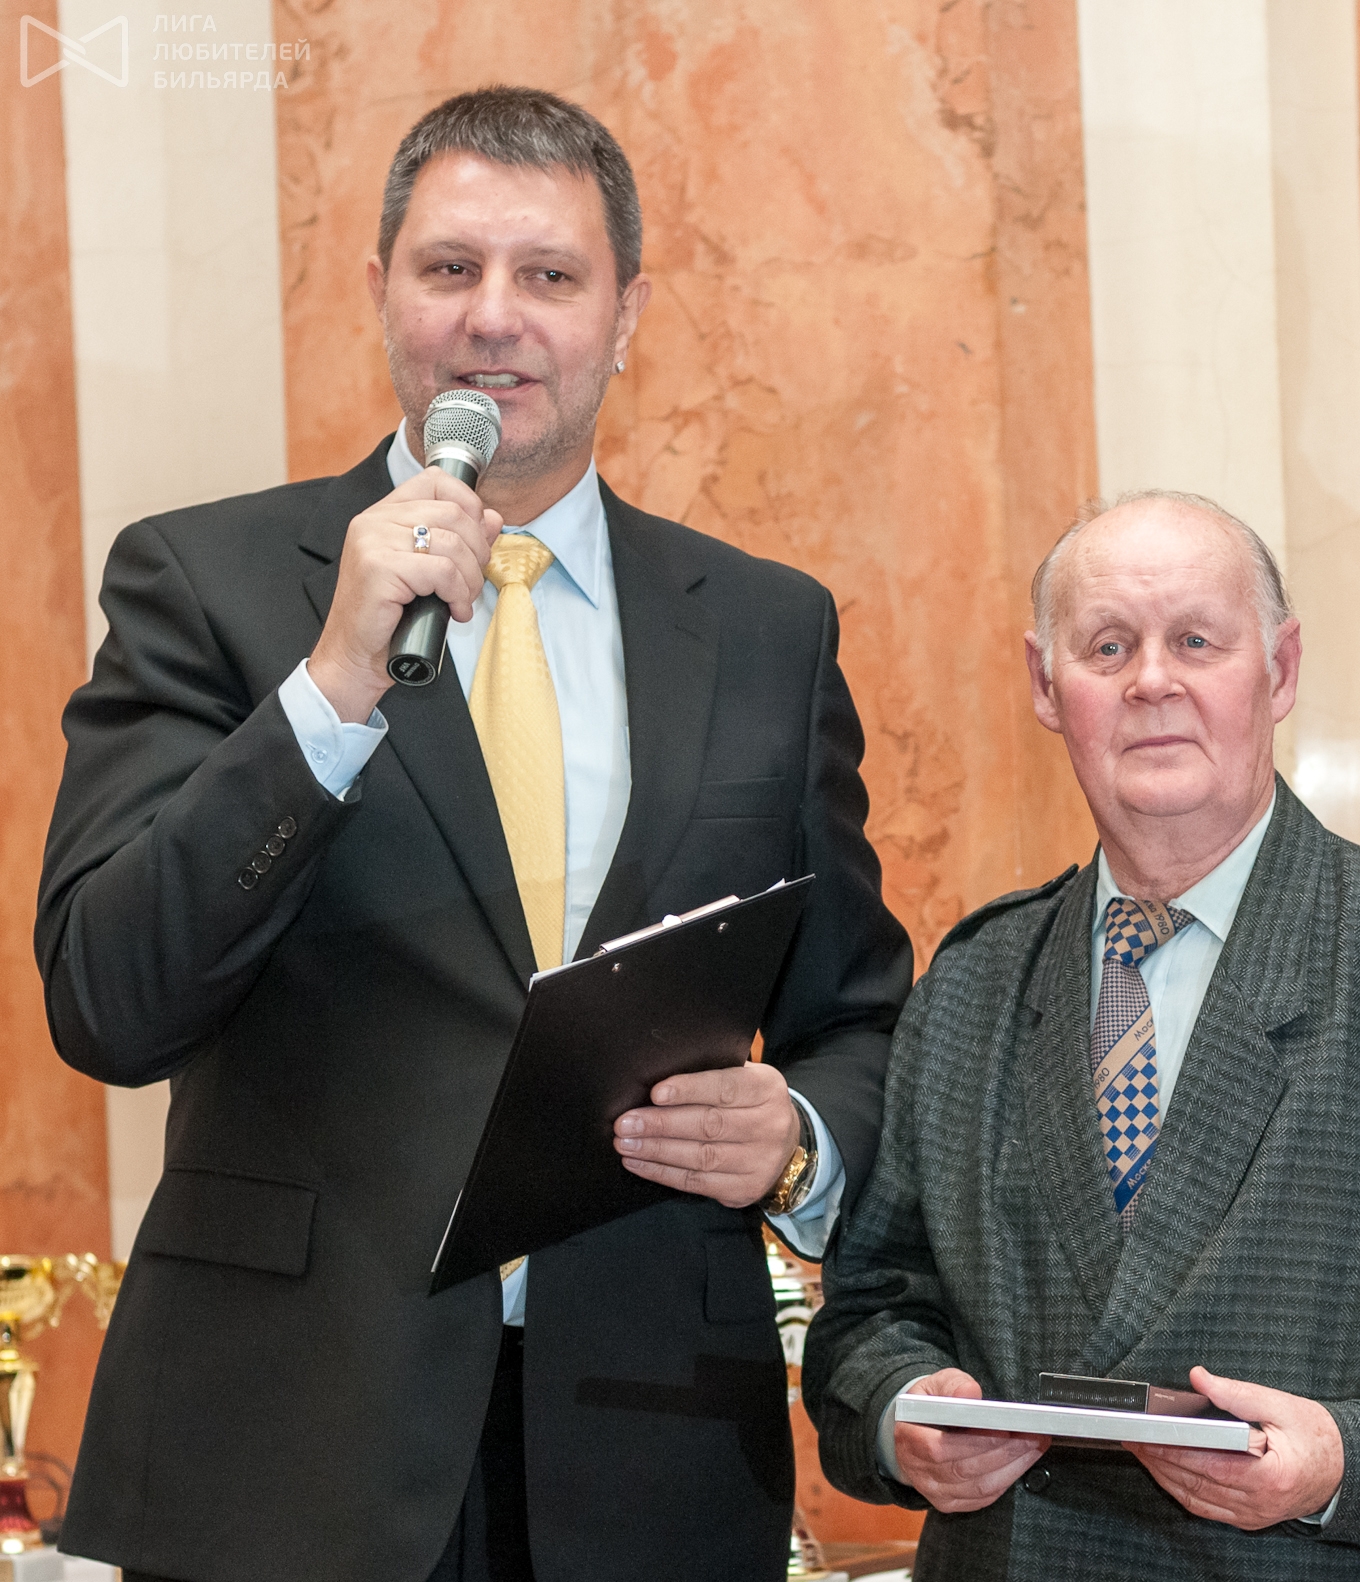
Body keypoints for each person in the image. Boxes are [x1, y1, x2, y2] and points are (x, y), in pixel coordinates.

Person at [38, 87, 912, 1582]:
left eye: (549, 275)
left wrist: (799, 1135)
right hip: (282, 1456)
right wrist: (331, 687)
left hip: (652, 1451)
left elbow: (863, 1019)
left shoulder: (768, 629)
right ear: (381, 290)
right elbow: (110, 999)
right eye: (450, 268)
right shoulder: (206, 580)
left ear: (627, 316)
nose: (494, 316)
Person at [802, 490, 1360, 1578]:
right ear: (1046, 685)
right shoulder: (971, 984)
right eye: (1108, 646)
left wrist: (1350, 1459)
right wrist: (900, 1411)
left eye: (1197, 641)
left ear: (1279, 671)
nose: (1153, 681)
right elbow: (870, 1313)